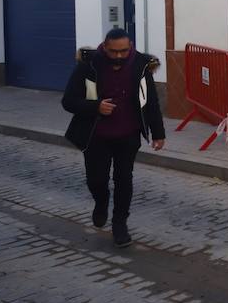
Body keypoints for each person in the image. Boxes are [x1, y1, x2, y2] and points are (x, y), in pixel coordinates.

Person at [61, 28, 165, 249]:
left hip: (128, 135)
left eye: (124, 51)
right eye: (114, 51)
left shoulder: (141, 66)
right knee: (96, 180)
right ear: (105, 47)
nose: (119, 56)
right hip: (95, 135)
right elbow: (68, 101)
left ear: (131, 47)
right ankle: (101, 202)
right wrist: (95, 106)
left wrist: (158, 133)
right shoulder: (88, 66)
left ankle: (120, 224)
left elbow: (151, 102)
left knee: (124, 180)